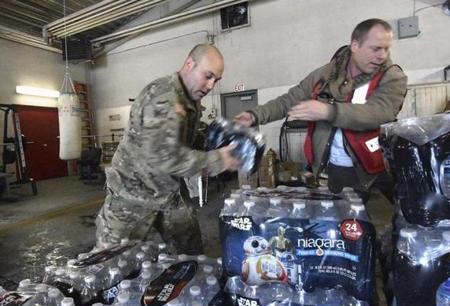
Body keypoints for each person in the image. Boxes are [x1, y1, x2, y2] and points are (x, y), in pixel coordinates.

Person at [234, 18, 407, 202]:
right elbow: (290, 100)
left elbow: (380, 112)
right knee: (342, 224)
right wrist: (254, 115)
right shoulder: (325, 74)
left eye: (386, 48)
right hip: (335, 170)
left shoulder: (392, 76)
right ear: (355, 45)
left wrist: (328, 112)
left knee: (392, 218)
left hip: (375, 168)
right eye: (376, 48)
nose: (382, 56)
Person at [95, 44, 239, 254]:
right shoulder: (164, 98)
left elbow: (181, 141)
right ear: (189, 64)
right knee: (110, 264)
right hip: (132, 195)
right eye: (207, 76)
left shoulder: (190, 100)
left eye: (215, 80)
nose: (210, 86)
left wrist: (215, 140)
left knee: (191, 257)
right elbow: (166, 156)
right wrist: (219, 159)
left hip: (168, 193)